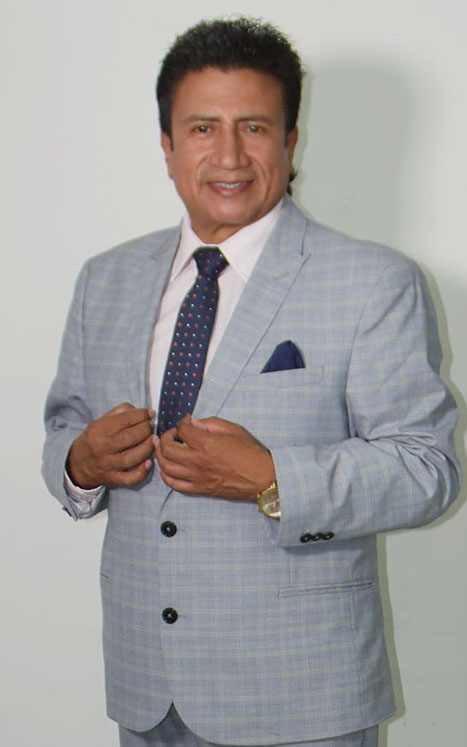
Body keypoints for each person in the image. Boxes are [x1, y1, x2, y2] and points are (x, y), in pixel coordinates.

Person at [42, 17, 461, 747]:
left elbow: (429, 469)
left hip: (303, 698)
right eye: (202, 128)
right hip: (147, 692)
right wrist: (80, 463)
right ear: (167, 145)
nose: (229, 155)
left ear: (291, 141)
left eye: (255, 127)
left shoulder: (372, 282)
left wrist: (271, 478)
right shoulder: (105, 280)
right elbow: (62, 430)